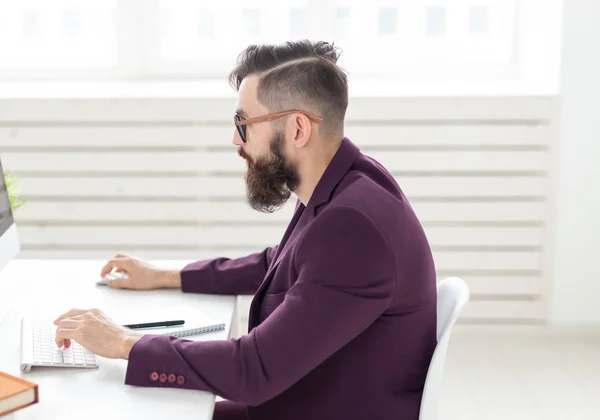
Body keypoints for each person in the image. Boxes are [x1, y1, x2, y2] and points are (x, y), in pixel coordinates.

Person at [53, 40, 437, 420]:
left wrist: (123, 342)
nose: (236, 140)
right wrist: (165, 276)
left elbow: (253, 370)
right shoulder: (351, 182)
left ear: (298, 128)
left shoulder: (353, 227)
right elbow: (280, 263)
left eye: (244, 123)